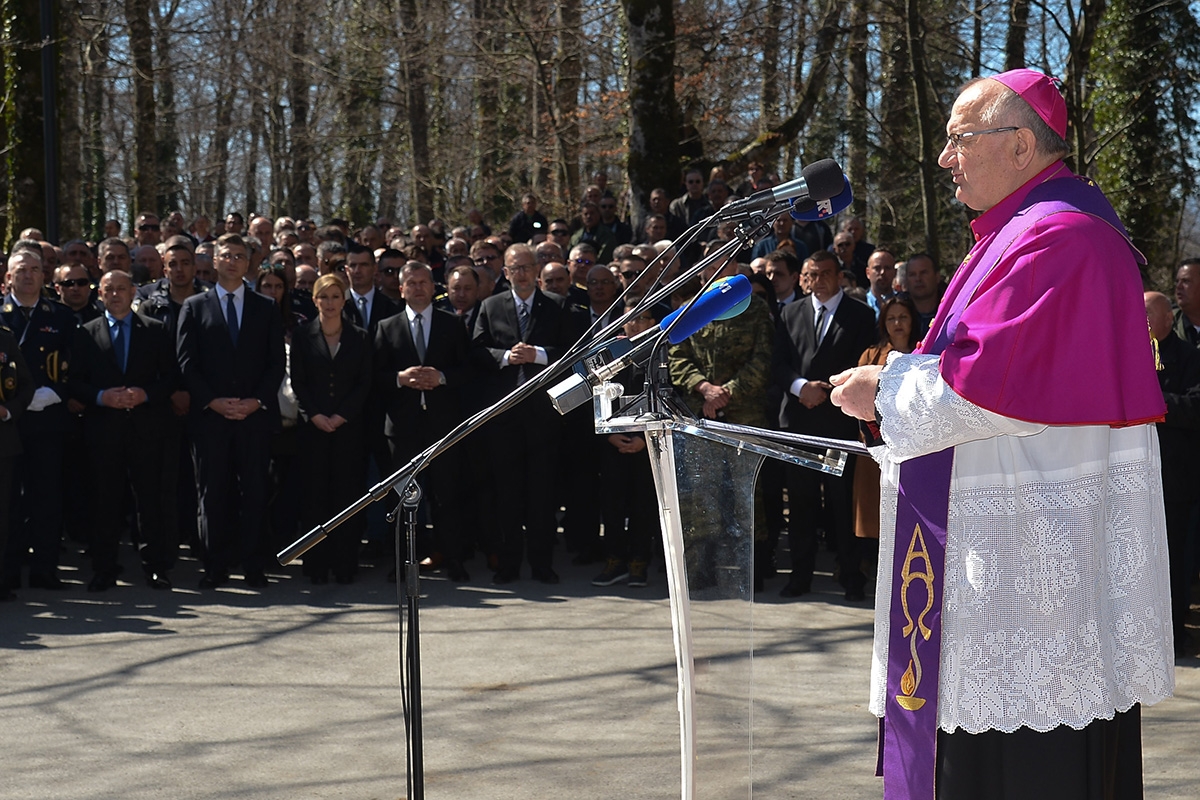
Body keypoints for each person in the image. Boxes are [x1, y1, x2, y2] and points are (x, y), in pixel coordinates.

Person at [829, 69, 1172, 799]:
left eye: (960, 139)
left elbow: (983, 385)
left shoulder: (1058, 238)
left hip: (1032, 585)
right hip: (1005, 560)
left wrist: (880, 386)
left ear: (1019, 145)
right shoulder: (1022, 232)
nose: (946, 158)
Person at [177, 233, 286, 589]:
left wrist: (256, 401)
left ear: (248, 262)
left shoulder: (266, 307)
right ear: (214, 260)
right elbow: (187, 363)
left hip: (254, 418)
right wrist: (212, 401)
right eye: (226, 255)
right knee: (213, 494)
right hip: (211, 419)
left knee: (255, 493)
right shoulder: (194, 306)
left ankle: (254, 565)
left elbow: (275, 364)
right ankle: (215, 565)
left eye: (240, 256)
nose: (233, 261)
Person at [772, 250, 876, 602]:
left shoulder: (860, 315)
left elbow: (863, 363)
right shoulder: (789, 312)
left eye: (825, 274)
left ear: (839, 276)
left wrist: (827, 390)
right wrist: (802, 388)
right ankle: (800, 576)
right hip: (800, 420)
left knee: (842, 504)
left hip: (839, 421)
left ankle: (851, 575)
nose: (817, 281)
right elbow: (779, 362)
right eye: (811, 274)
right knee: (801, 504)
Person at [68, 271, 177, 591]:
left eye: (121, 289)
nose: (115, 294)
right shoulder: (86, 333)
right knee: (105, 502)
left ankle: (154, 567)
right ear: (99, 295)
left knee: (149, 502)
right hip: (104, 430)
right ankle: (104, 568)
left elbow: (170, 378)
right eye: (108, 290)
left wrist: (145, 394)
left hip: (146, 428)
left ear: (133, 292)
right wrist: (102, 397)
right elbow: (74, 381)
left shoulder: (155, 331)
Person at [472, 243, 568, 584]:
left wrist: (539, 355)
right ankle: (510, 562)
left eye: (528, 267)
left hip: (544, 416)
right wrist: (505, 357)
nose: (522, 273)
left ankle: (542, 563)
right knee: (507, 494)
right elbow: (476, 351)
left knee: (542, 494)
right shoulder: (489, 306)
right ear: (506, 272)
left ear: (537, 270)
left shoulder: (558, 306)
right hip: (505, 417)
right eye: (516, 268)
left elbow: (573, 351)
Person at [375, 263, 473, 581]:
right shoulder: (386, 327)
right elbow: (374, 378)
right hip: (403, 428)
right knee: (404, 497)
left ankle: (453, 558)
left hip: (442, 425)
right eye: (410, 283)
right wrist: (400, 379)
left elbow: (468, 371)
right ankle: (404, 561)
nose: (417, 288)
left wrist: (441, 377)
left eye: (423, 283)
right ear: (401, 289)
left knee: (447, 495)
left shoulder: (452, 324)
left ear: (434, 288)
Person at [0, 243, 77, 591]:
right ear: (8, 277)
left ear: (45, 276)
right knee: (9, 500)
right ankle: (9, 570)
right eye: (21, 270)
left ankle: (46, 569)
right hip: (8, 421)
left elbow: (77, 364)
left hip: (48, 418)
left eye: (34, 269)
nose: (28, 275)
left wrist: (57, 392)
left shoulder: (60, 316)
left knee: (47, 495)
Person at [289, 274, 373, 584]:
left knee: (346, 497)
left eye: (336, 296)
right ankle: (316, 565)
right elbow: (298, 382)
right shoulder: (301, 336)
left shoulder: (360, 337)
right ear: (314, 300)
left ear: (344, 300)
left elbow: (364, 383)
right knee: (314, 498)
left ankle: (345, 564)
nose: (330, 303)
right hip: (313, 429)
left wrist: (341, 416)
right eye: (323, 297)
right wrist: (315, 415)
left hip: (348, 430)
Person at [849, 296, 919, 547]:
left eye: (903, 317)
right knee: (877, 518)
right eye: (891, 318)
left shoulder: (925, 352)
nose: (897, 323)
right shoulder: (870, 355)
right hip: (877, 445)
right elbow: (857, 403)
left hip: (917, 445)